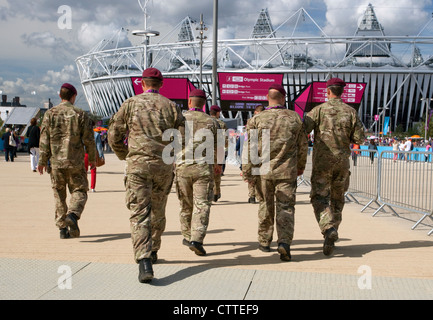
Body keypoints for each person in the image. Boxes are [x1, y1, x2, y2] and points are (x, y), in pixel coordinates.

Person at [108, 68, 184, 284]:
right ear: (161, 85)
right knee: (158, 210)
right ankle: (154, 250)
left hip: (138, 166)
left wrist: (125, 155)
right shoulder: (171, 106)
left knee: (139, 212)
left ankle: (144, 260)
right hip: (162, 167)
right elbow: (182, 137)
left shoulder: (130, 103)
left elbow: (114, 134)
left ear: (141, 83)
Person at [242, 83, 308, 262]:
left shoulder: (257, 119)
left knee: (265, 205)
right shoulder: (295, 118)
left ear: (267, 97)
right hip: (287, 170)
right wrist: (301, 166)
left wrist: (248, 171)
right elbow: (303, 146)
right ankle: (284, 242)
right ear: (283, 98)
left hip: (263, 170)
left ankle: (264, 241)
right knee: (286, 207)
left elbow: (250, 148)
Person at [303, 78, 365, 256]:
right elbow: (360, 139)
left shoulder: (318, 110)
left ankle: (328, 228)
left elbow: (304, 128)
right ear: (342, 92)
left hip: (323, 162)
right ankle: (332, 233)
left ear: (327, 92)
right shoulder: (351, 112)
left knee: (319, 197)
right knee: (337, 199)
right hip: (342, 162)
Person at [38, 83, 96, 240]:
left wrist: (42, 160)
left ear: (60, 96)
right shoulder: (81, 114)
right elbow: (89, 139)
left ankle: (62, 229)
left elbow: (44, 139)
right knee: (80, 190)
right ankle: (73, 214)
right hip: (75, 161)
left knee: (59, 195)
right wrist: (92, 158)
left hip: (56, 162)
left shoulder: (50, 114)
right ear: (74, 96)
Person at [175, 89, 220, 257]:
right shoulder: (212, 122)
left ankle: (187, 236)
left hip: (182, 168)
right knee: (202, 205)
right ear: (204, 104)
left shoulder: (179, 120)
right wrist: (217, 164)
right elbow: (219, 146)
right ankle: (197, 239)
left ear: (189, 102)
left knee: (185, 204)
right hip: (203, 169)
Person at [245, 105, 265, 203]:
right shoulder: (267, 120)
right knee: (260, 175)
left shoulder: (251, 121)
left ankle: (252, 196)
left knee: (252, 173)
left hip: (253, 151)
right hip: (265, 151)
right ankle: (260, 195)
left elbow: (250, 137)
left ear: (256, 112)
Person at [209, 105, 227, 202]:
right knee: (217, 173)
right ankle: (216, 192)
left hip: (204, 152)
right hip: (217, 151)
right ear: (217, 113)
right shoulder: (221, 124)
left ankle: (210, 192)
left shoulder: (204, 121)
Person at [85, 126, 105, 192]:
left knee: (84, 171)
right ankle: (92, 187)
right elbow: (99, 146)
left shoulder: (83, 134)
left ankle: (85, 186)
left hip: (85, 154)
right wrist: (101, 155)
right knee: (93, 171)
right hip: (93, 153)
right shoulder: (96, 134)